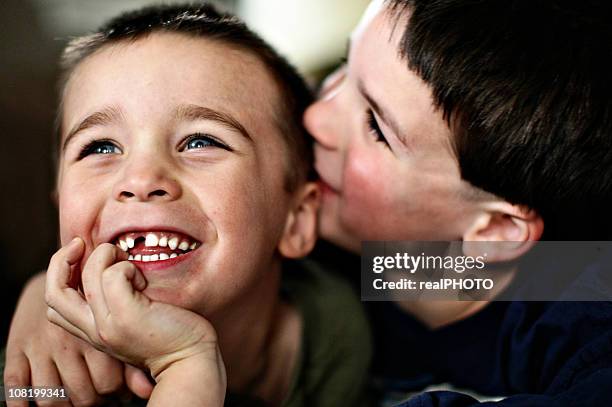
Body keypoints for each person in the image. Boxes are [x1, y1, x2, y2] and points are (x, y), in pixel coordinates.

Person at [5, 0, 612, 405]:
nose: (316, 116)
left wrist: (187, 369)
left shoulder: (576, 314)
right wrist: (48, 292)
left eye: (375, 124)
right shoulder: (399, 263)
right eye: (344, 70)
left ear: (491, 231)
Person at [1, 4, 371, 407]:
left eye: (201, 141)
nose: (140, 180)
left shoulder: (367, 284)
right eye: (101, 147)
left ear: (296, 220)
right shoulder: (40, 381)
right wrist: (184, 363)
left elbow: (448, 267)